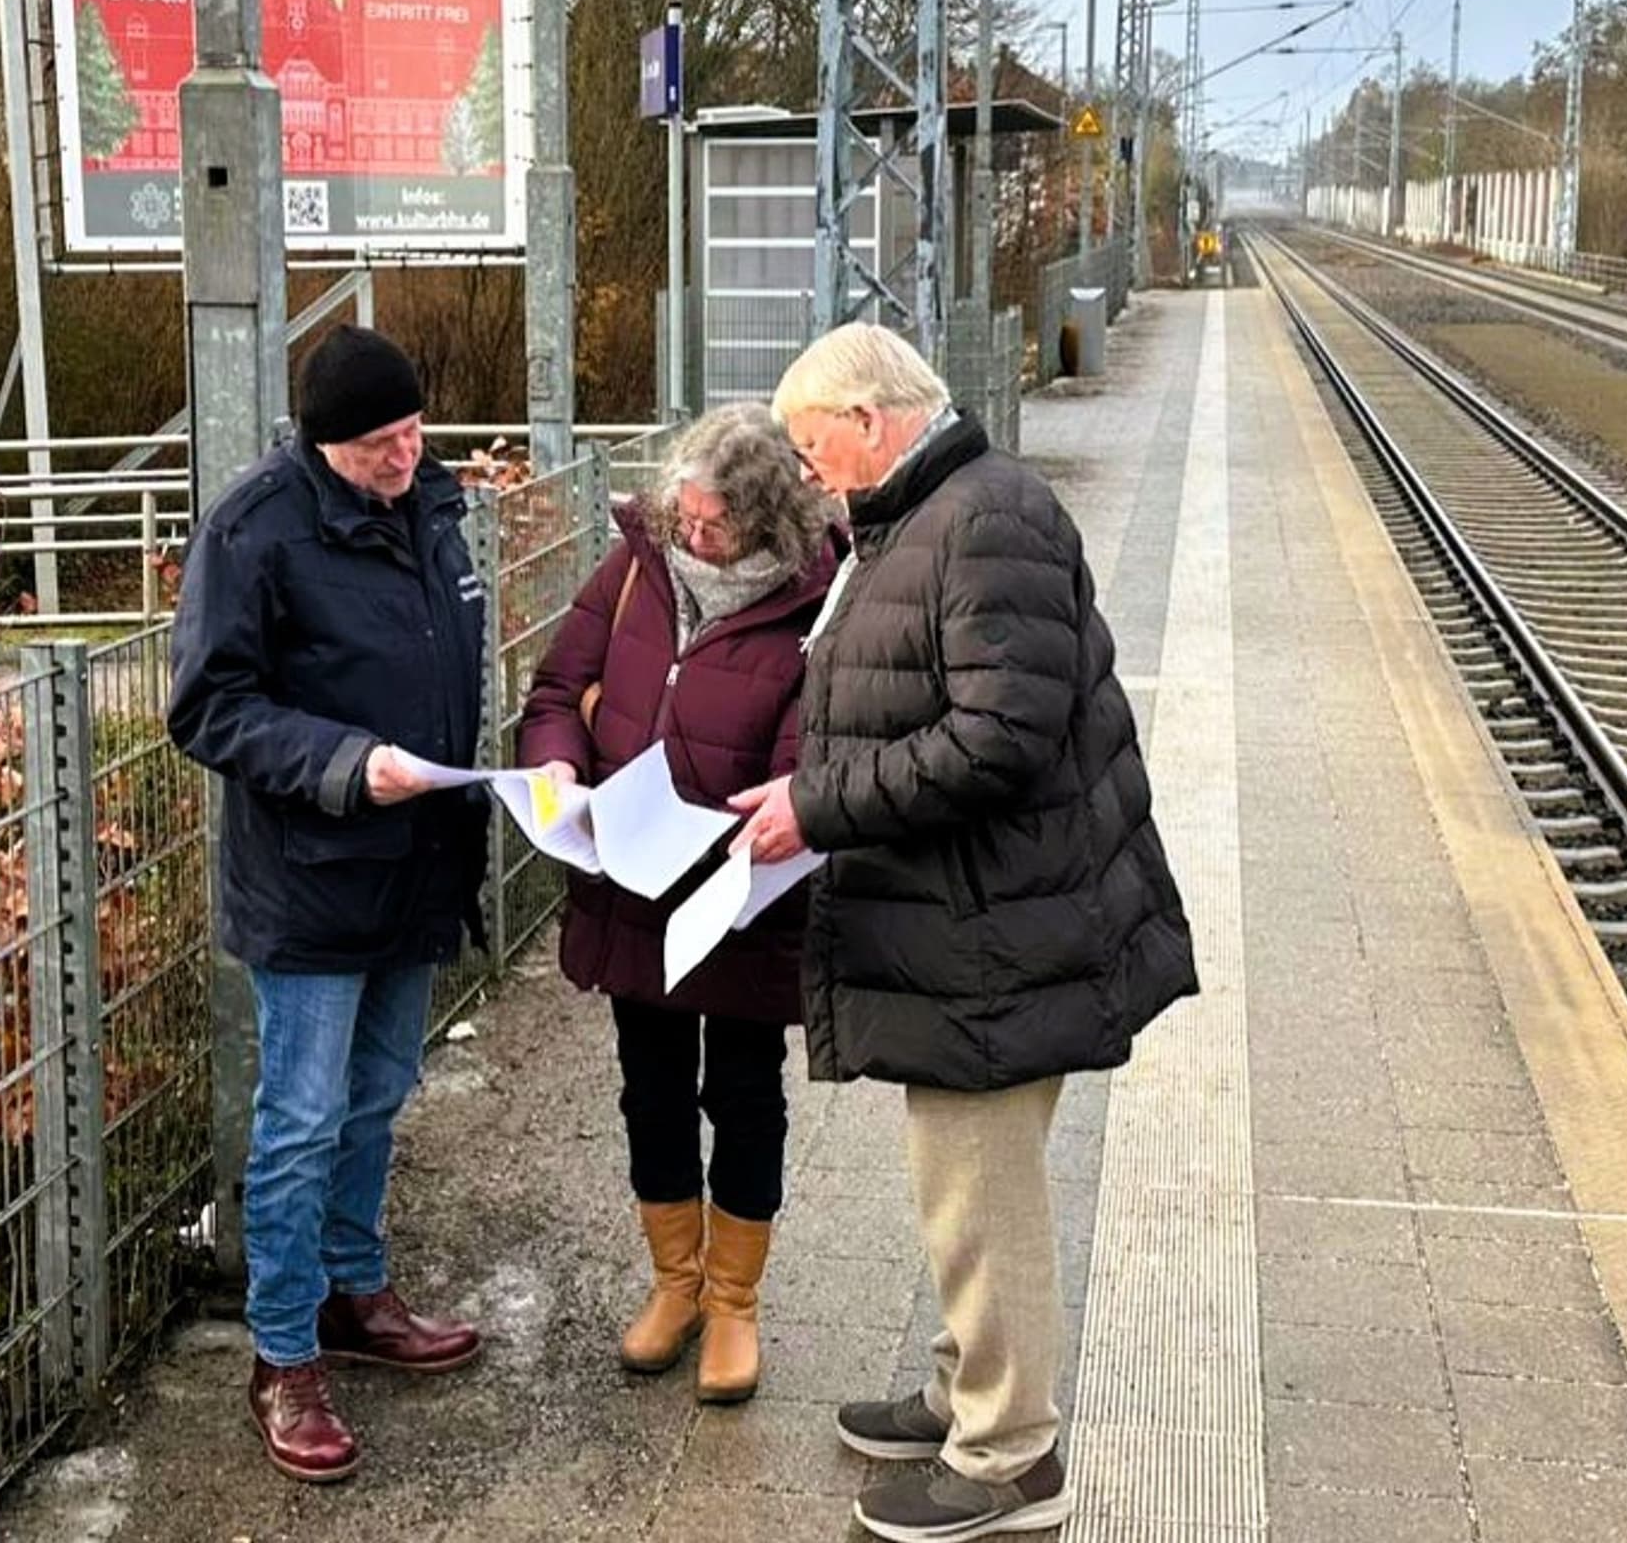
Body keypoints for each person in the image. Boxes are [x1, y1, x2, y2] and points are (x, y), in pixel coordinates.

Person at [730, 323, 1197, 1543]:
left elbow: (999, 740)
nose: (805, 470)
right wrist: (812, 791)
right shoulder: (929, 514)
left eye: (812, 445)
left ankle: (1007, 1456)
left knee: (985, 1200)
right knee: (963, 1193)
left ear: (871, 423)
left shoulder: (985, 520)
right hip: (978, 918)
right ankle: (961, 1392)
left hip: (1000, 929)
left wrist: (819, 808)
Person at [165, 323, 493, 1486]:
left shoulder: (433, 505)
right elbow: (208, 707)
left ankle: (357, 1290)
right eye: (378, 446)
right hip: (312, 877)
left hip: (419, 862)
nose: (405, 457)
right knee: (301, 1118)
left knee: (381, 1092)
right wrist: (346, 765)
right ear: (322, 446)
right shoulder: (253, 530)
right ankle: (284, 1353)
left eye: (414, 432)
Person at [517, 405, 842, 1406]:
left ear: (769, 520)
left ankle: (734, 1302)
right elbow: (556, 691)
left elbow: (818, 741)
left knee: (743, 1094)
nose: (692, 535)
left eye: (715, 524)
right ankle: (675, 1284)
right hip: (630, 879)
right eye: (684, 514)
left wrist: (780, 806)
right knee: (648, 1087)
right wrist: (557, 771)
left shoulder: (819, 602)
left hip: (742, 895)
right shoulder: (636, 564)